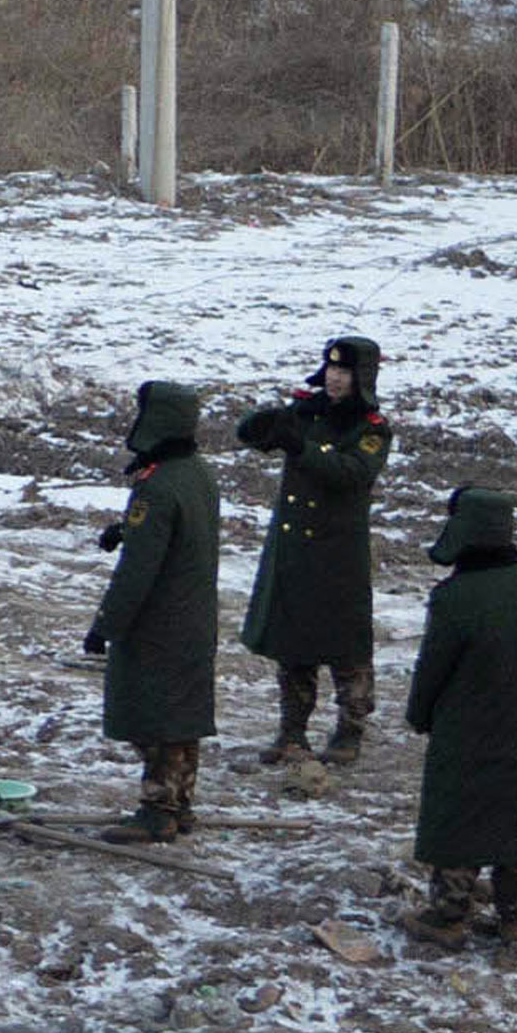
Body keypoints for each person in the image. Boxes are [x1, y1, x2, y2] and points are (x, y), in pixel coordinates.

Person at [405, 485, 517, 941]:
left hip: (464, 728)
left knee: (458, 816)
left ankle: (449, 915)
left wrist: (420, 715)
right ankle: (516, 916)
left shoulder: (456, 597)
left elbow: (433, 667)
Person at [232, 336, 393, 767]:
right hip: (296, 549)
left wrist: (300, 445)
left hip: (338, 554)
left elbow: (351, 472)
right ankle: (292, 733)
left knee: (347, 648)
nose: (336, 379)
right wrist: (271, 421)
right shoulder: (310, 412)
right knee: (293, 644)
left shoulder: (372, 428)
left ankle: (349, 730)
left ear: (362, 378)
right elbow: (251, 433)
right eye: (332, 370)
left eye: (345, 372)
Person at [84, 379, 218, 841]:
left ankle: (157, 811)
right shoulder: (196, 471)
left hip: (159, 621)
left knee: (155, 715)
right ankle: (180, 804)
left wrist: (105, 626)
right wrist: (127, 530)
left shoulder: (157, 485)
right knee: (182, 715)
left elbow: (138, 571)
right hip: (193, 615)